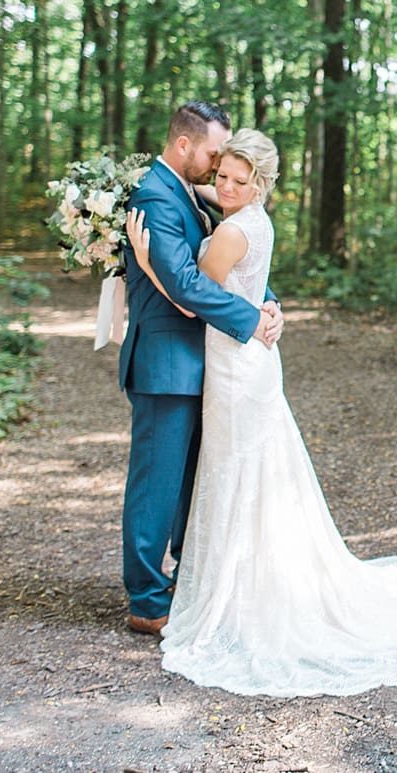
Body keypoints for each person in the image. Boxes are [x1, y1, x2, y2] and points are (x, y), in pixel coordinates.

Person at [125, 129, 397, 697]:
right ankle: (236, 581)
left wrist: (149, 260)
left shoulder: (231, 227)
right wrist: (261, 300)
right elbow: (215, 231)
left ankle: (235, 589)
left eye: (236, 178)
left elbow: (188, 290)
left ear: (260, 184)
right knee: (244, 472)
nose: (222, 184)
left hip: (235, 361)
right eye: (220, 174)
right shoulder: (246, 216)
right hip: (242, 366)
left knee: (237, 473)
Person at [118, 102, 282, 636]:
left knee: (195, 480)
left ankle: (193, 579)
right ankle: (147, 599)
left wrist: (268, 302)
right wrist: (251, 321)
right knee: (157, 484)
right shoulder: (155, 196)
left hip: (204, 360)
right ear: (185, 145)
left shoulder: (192, 192)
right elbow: (189, 284)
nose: (218, 169)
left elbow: (235, 258)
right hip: (166, 359)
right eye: (214, 154)